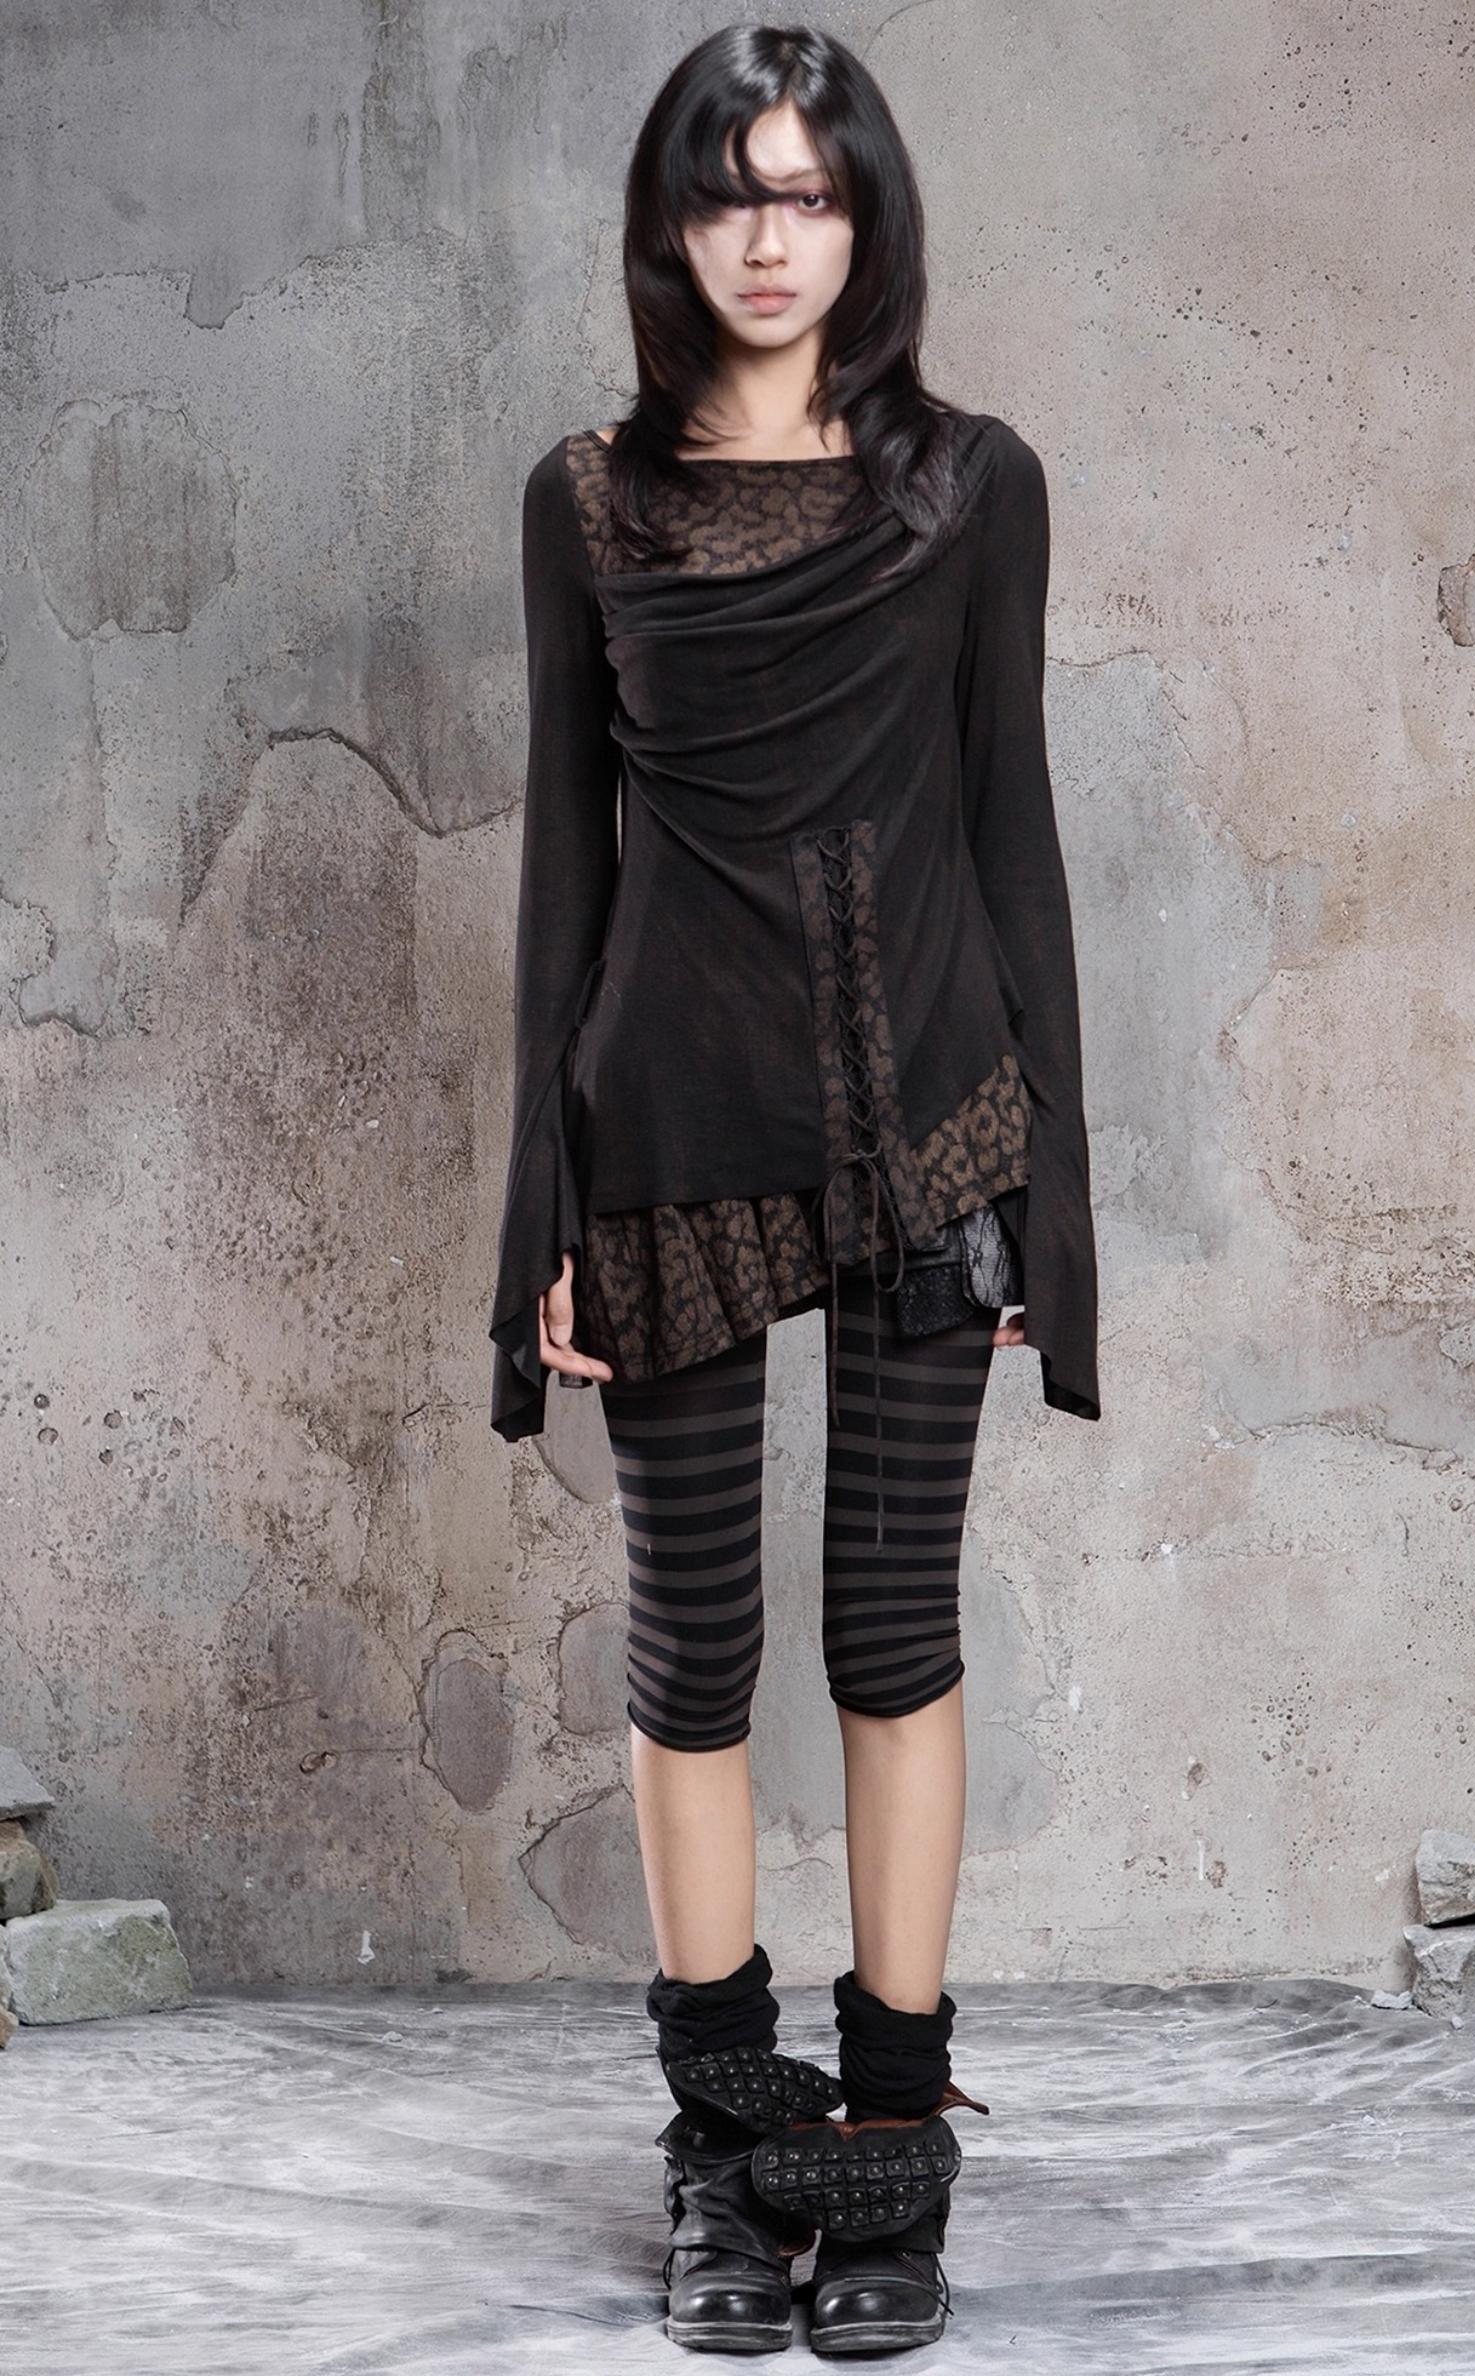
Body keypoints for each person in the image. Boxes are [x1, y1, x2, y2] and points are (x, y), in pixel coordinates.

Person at [488, 22, 1102, 2358]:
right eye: (730, 194)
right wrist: (535, 1213)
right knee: (691, 1649)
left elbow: (1013, 830)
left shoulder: (972, 485)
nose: (771, 238)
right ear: (671, 226)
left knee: (894, 1632)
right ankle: (730, 2154)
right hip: (668, 1131)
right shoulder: (587, 502)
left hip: (931, 1115)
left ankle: (894, 2148)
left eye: (811, 194)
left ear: (870, 220)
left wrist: (1060, 1194)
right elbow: (565, 869)